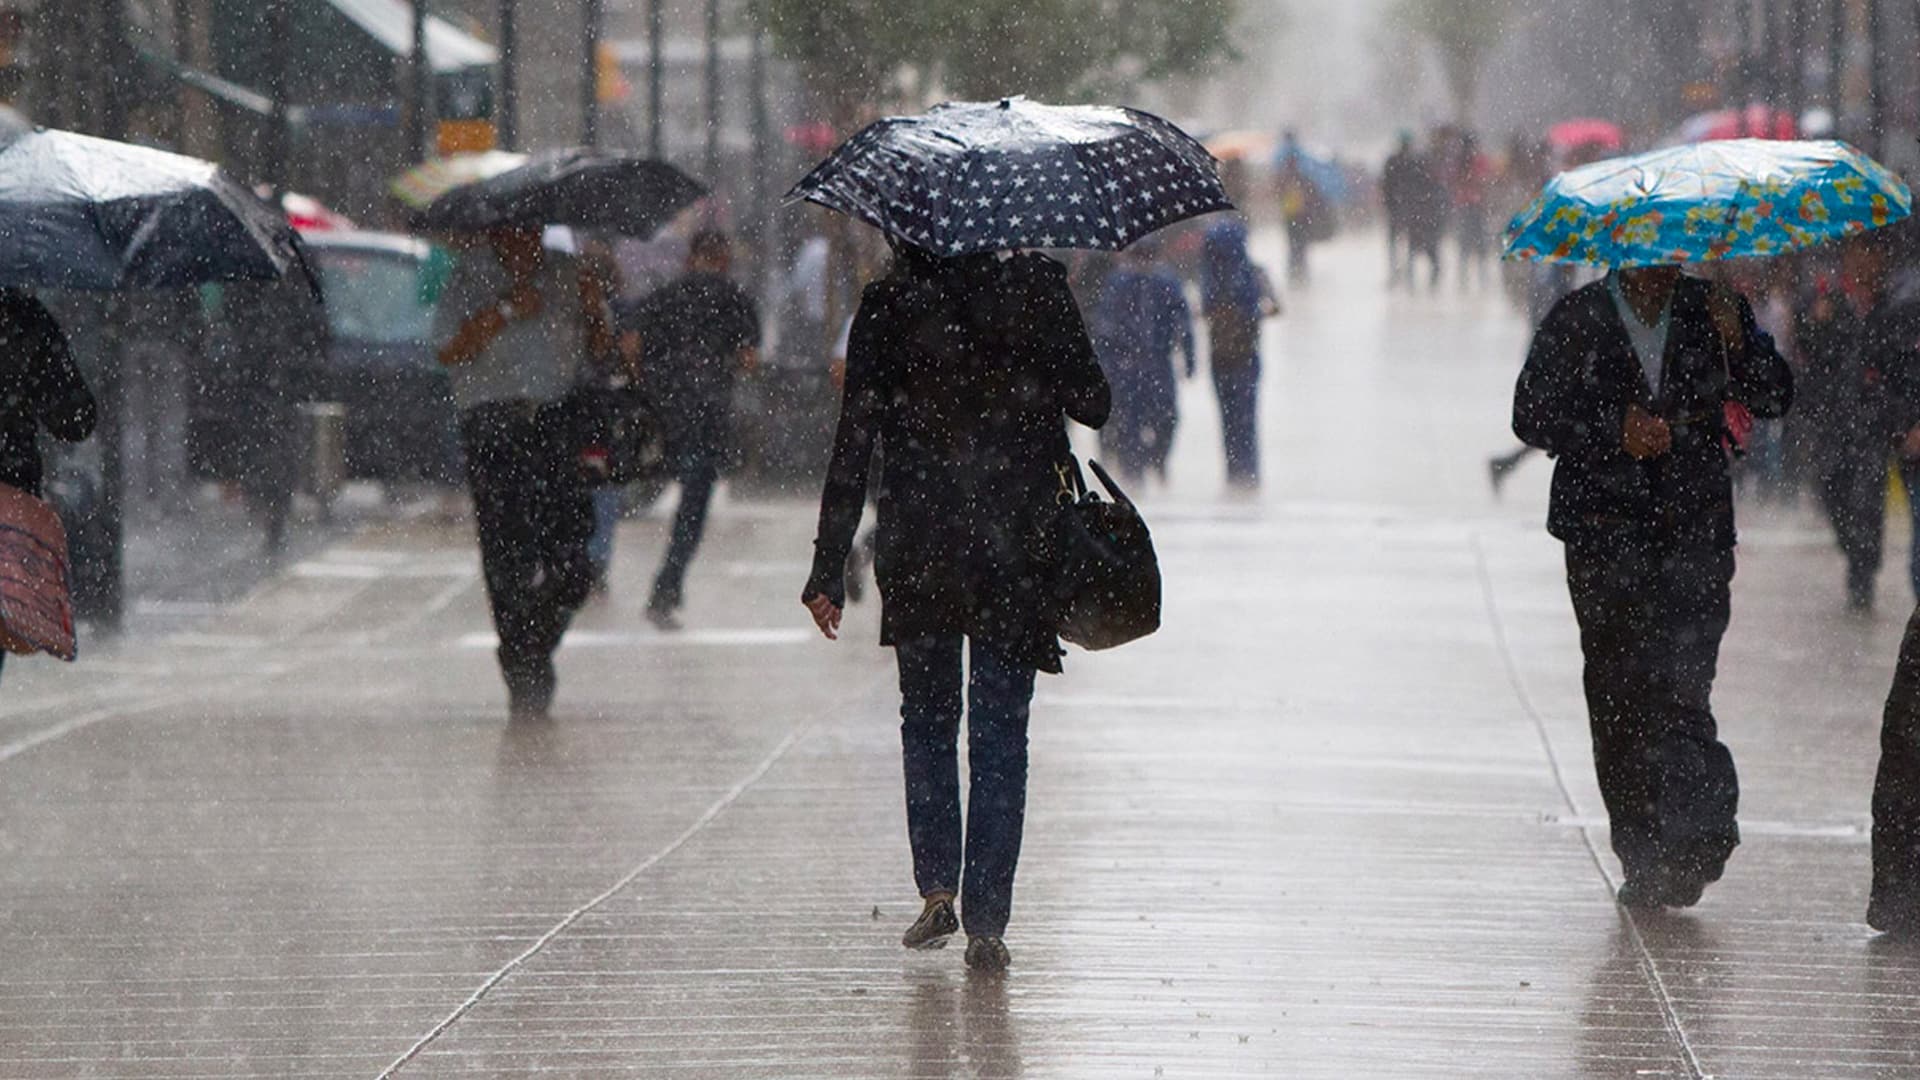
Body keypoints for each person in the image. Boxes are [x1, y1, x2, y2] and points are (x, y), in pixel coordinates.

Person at [800, 243, 1110, 974]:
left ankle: (938, 885)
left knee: (930, 717)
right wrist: (1048, 340)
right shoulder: (1037, 287)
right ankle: (988, 916)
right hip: (1016, 541)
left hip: (922, 538)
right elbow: (1093, 402)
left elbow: (855, 438)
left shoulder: (889, 304)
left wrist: (827, 560)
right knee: (1001, 728)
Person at [1513, 262, 1793, 910]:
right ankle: (1641, 849)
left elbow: (1775, 396)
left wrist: (1741, 343)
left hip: (1693, 531)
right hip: (1604, 536)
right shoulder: (1578, 317)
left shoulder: (1712, 310)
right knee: (1618, 694)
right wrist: (1615, 430)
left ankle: (1694, 838)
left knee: (1683, 688)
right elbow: (1531, 416)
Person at [436, 227, 607, 720]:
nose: (523, 238)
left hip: (557, 422)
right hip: (493, 422)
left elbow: (602, 350)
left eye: (532, 225)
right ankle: (520, 663)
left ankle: (533, 642)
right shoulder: (471, 274)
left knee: (573, 559)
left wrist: (594, 308)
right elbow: (447, 350)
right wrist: (506, 310)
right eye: (512, 228)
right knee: (506, 553)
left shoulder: (567, 271)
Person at [628, 229, 761, 631]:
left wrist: (648, 382)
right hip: (708, 412)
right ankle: (666, 587)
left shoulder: (666, 296)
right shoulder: (735, 298)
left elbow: (631, 343)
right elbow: (749, 358)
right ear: (722, 257)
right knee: (692, 505)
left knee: (647, 486)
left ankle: (644, 581)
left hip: (666, 409)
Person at [1797, 232, 1919, 609]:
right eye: (1861, 252)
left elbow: (1900, 370)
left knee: (1867, 498)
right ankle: (1856, 554)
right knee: (1832, 490)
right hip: (1831, 423)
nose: (1869, 261)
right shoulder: (1827, 302)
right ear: (1848, 257)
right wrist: (1816, 322)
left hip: (1875, 425)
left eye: (1876, 253)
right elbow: (1809, 355)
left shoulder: (1894, 308)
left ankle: (1863, 573)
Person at [1090, 239, 1195, 485]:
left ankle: (1156, 460)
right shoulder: (1119, 282)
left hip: (1158, 362)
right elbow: (1104, 326)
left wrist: (1189, 357)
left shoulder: (1166, 282)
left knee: (1167, 416)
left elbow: (1183, 321)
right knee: (1129, 422)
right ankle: (1133, 476)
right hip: (1126, 365)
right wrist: (1104, 364)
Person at [1201, 217, 1279, 489]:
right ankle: (1248, 474)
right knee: (1246, 417)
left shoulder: (1210, 277)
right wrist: (1252, 313)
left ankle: (1234, 474)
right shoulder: (1254, 273)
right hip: (1247, 355)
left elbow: (1205, 309)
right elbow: (1275, 307)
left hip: (1220, 355)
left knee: (1228, 418)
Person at [1381, 132, 1421, 289]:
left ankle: (1399, 272)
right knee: (1404, 242)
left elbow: (1385, 185)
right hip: (1405, 208)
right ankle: (1405, 273)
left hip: (1399, 207)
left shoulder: (1394, 161)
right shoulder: (1414, 161)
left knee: (1397, 242)